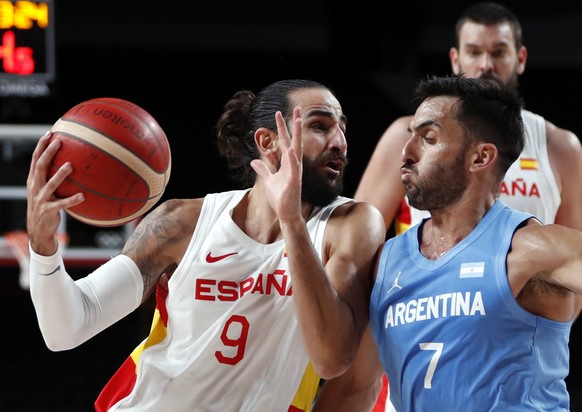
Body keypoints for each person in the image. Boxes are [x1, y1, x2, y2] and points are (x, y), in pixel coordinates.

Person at [26, 79, 386, 411]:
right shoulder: (184, 222)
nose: (339, 141)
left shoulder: (351, 225)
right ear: (267, 141)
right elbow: (66, 329)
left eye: (342, 128)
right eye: (320, 126)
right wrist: (43, 247)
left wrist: (291, 221)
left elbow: (331, 359)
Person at [351, 3, 582, 410]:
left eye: (498, 52)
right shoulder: (405, 142)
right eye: (474, 52)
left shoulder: (558, 146)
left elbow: (569, 262)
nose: (485, 64)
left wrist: (528, 322)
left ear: (520, 58)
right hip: (417, 307)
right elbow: (356, 241)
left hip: (511, 306)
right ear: (456, 59)